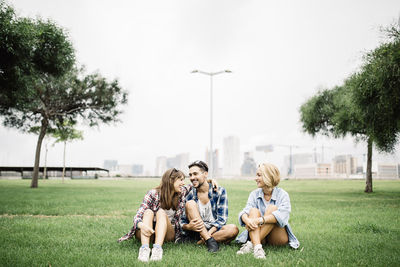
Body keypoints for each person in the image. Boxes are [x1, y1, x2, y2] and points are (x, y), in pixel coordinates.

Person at [118, 168, 189, 262]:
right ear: (171, 181)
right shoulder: (153, 193)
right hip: (148, 230)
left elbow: (196, 184)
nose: (183, 183)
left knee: (161, 212)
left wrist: (209, 180)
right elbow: (138, 215)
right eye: (181, 180)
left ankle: (157, 249)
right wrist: (141, 225)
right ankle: (144, 249)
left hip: (167, 233)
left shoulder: (181, 192)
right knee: (148, 212)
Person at [236, 163, 300, 259]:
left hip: (277, 237)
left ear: (268, 177)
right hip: (261, 237)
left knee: (272, 209)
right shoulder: (254, 194)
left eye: (259, 175)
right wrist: (247, 220)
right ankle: (258, 248)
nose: (255, 178)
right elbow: (245, 211)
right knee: (253, 210)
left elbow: (282, 216)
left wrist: (259, 220)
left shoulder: (283, 195)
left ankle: (251, 244)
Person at [180, 160, 239, 253]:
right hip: (196, 232)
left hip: (213, 230)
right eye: (190, 175)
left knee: (233, 229)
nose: (192, 177)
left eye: (195, 174)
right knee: (190, 203)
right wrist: (189, 227)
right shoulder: (189, 193)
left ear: (205, 174)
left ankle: (202, 242)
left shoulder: (219, 191)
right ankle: (211, 242)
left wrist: (208, 233)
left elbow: (222, 219)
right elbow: (182, 222)